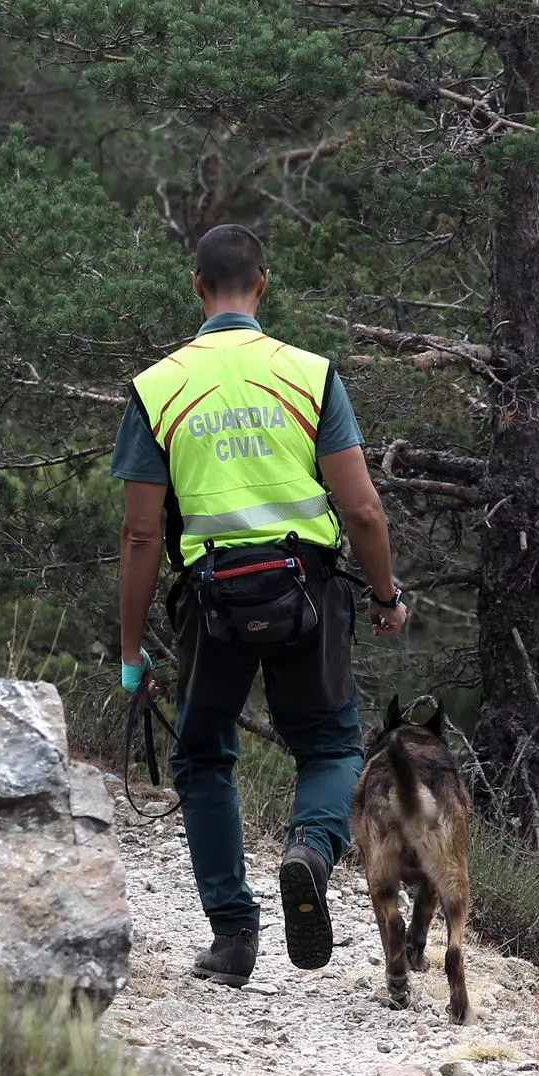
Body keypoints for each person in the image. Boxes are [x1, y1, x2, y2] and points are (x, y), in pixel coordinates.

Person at [110, 223, 409, 986]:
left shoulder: (159, 386)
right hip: (306, 589)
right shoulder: (310, 375)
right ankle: (310, 849)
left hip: (211, 600)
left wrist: (132, 651)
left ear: (196, 286)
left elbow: (141, 534)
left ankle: (234, 937)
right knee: (333, 747)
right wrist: (385, 596)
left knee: (203, 755)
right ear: (264, 285)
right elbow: (366, 511)